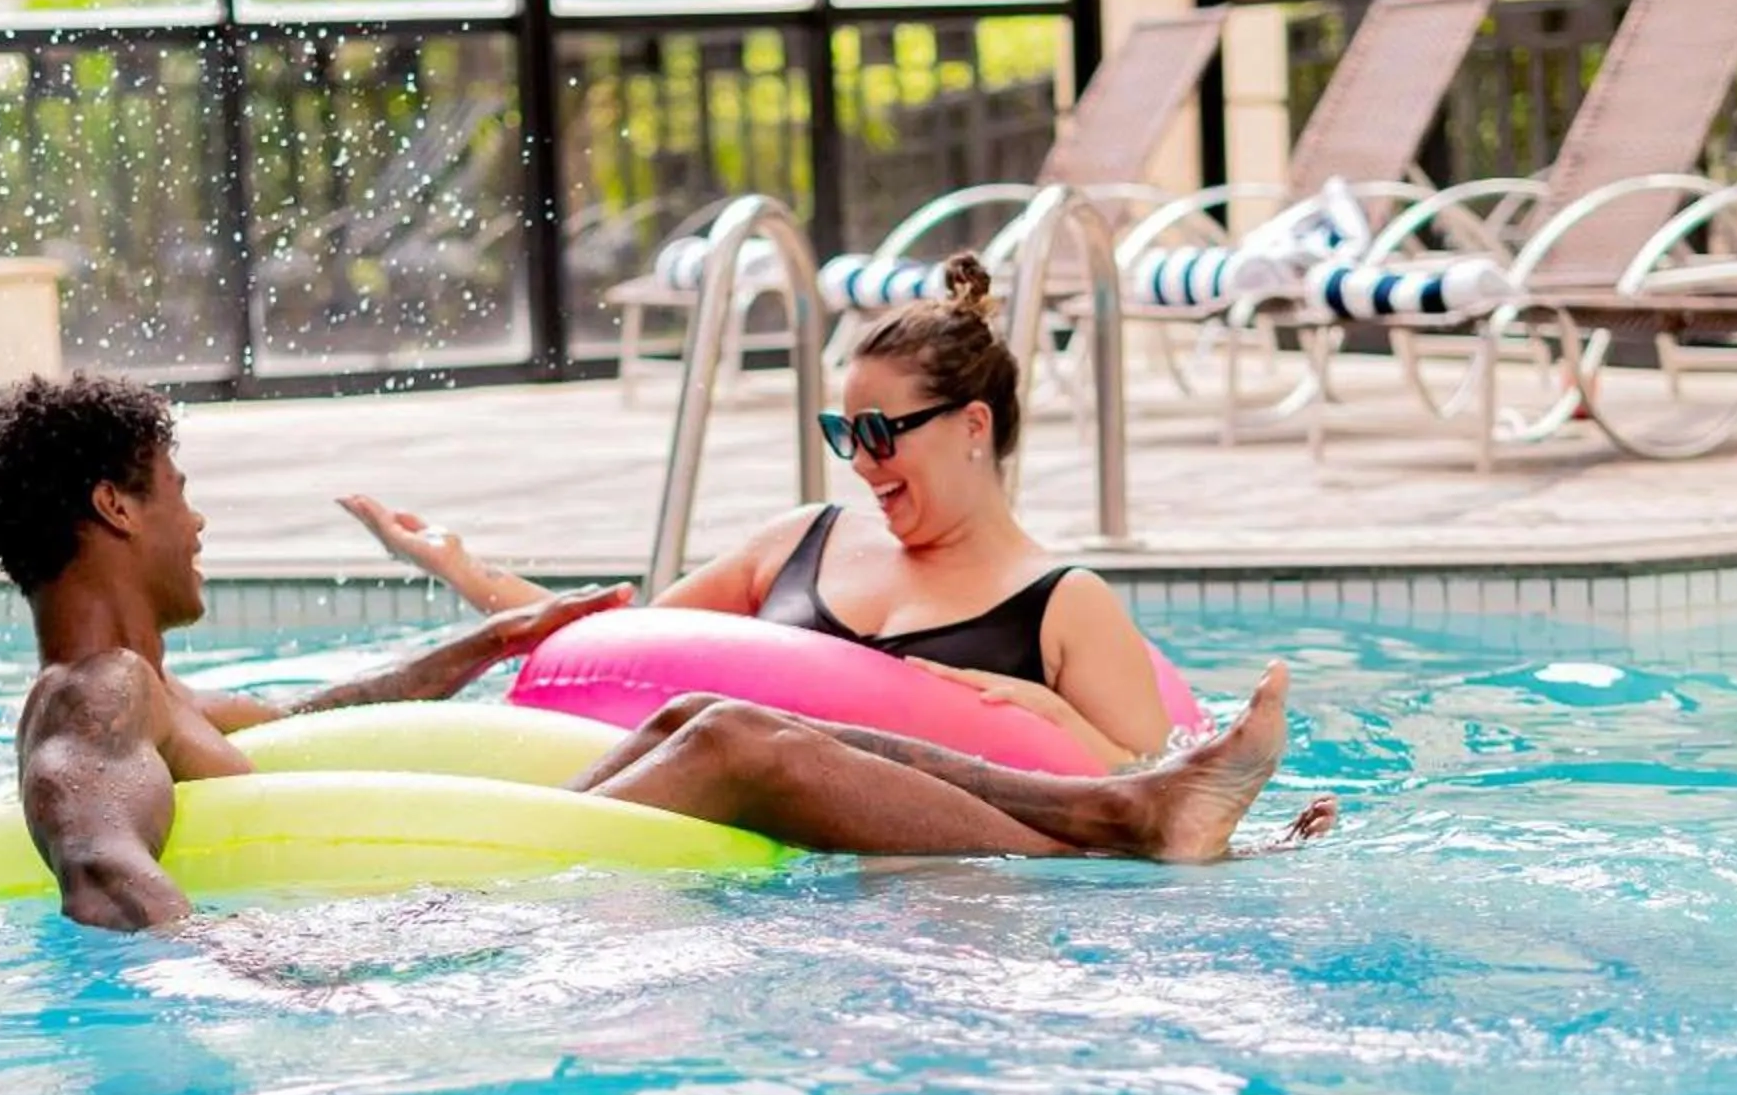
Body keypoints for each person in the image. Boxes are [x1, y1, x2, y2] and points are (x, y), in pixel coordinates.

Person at [0, 371, 1329, 934]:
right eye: (174, 487)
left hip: (420, 873)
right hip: (414, 909)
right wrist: (279, 988)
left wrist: (473, 647)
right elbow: (99, 857)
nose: (197, 518)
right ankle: (1122, 826)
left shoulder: (144, 689)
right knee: (728, 739)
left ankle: (1125, 809)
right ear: (115, 508)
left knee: (705, 711)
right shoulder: (90, 696)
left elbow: (310, 722)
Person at [342, 254, 1172, 771]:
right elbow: (622, 656)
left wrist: (1056, 717)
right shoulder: (799, 543)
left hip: (946, 889)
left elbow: (1159, 800)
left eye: (882, 431)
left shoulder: (1064, 607)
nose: (860, 459)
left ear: (973, 427)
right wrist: (462, 567)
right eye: (845, 431)